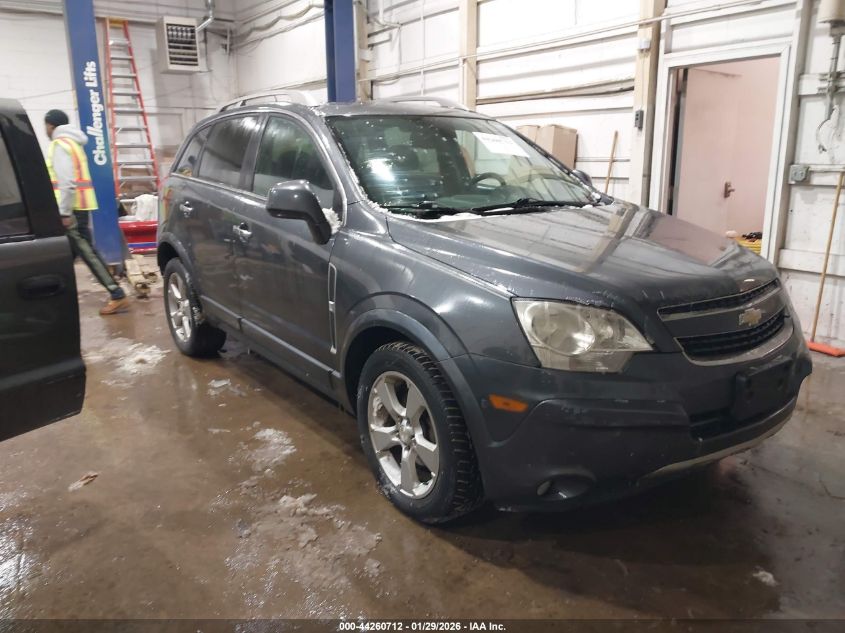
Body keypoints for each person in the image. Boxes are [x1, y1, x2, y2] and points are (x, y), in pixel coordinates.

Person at [44, 109, 129, 315]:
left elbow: (67, 182)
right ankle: (52, 295)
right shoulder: (73, 144)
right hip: (77, 206)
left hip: (71, 209)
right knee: (69, 253)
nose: (45, 129)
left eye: (45, 125)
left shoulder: (60, 145)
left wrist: (64, 213)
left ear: (51, 125)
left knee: (87, 252)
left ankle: (116, 292)